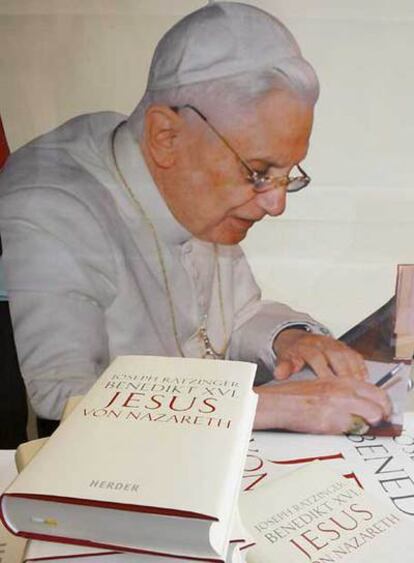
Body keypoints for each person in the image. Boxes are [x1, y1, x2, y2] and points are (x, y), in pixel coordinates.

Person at [0, 1, 390, 434]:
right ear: (165, 137)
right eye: (260, 172)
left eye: (286, 175)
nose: (276, 205)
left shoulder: (192, 179)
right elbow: (65, 398)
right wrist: (268, 407)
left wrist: (290, 338)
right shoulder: (50, 206)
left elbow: (234, 317)